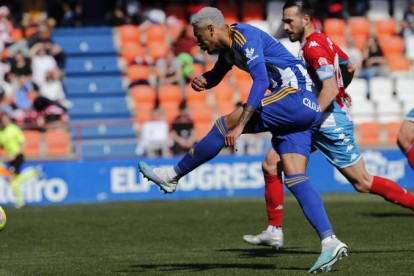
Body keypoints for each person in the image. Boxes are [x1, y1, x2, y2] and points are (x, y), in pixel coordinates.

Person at [139, 7, 347, 273]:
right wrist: (205, 80)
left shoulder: (244, 36)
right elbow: (217, 76)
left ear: (211, 28)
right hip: (305, 110)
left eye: (199, 35)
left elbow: (260, 80)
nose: (198, 41)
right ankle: (330, 241)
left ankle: (172, 174)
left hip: (294, 96)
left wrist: (241, 124)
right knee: (295, 177)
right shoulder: (228, 51)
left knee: (225, 125)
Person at [243, 0, 414, 254]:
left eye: (289, 21)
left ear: (306, 20)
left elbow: (330, 87)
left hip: (326, 122)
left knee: (362, 182)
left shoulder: (313, 48)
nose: (285, 26)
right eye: (284, 20)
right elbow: (350, 67)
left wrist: (325, 102)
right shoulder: (322, 41)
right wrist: (341, 89)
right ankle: (274, 231)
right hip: (316, 119)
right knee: (271, 164)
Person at [0, 112, 42, 208]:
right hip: (10, 158)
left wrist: (14, 155)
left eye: (6, 119)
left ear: (9, 119)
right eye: (3, 119)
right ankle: (33, 173)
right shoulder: (1, 132)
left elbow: (23, 144)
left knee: (12, 180)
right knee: (13, 180)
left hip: (17, 156)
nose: (4, 121)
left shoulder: (14, 129)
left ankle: (20, 201)